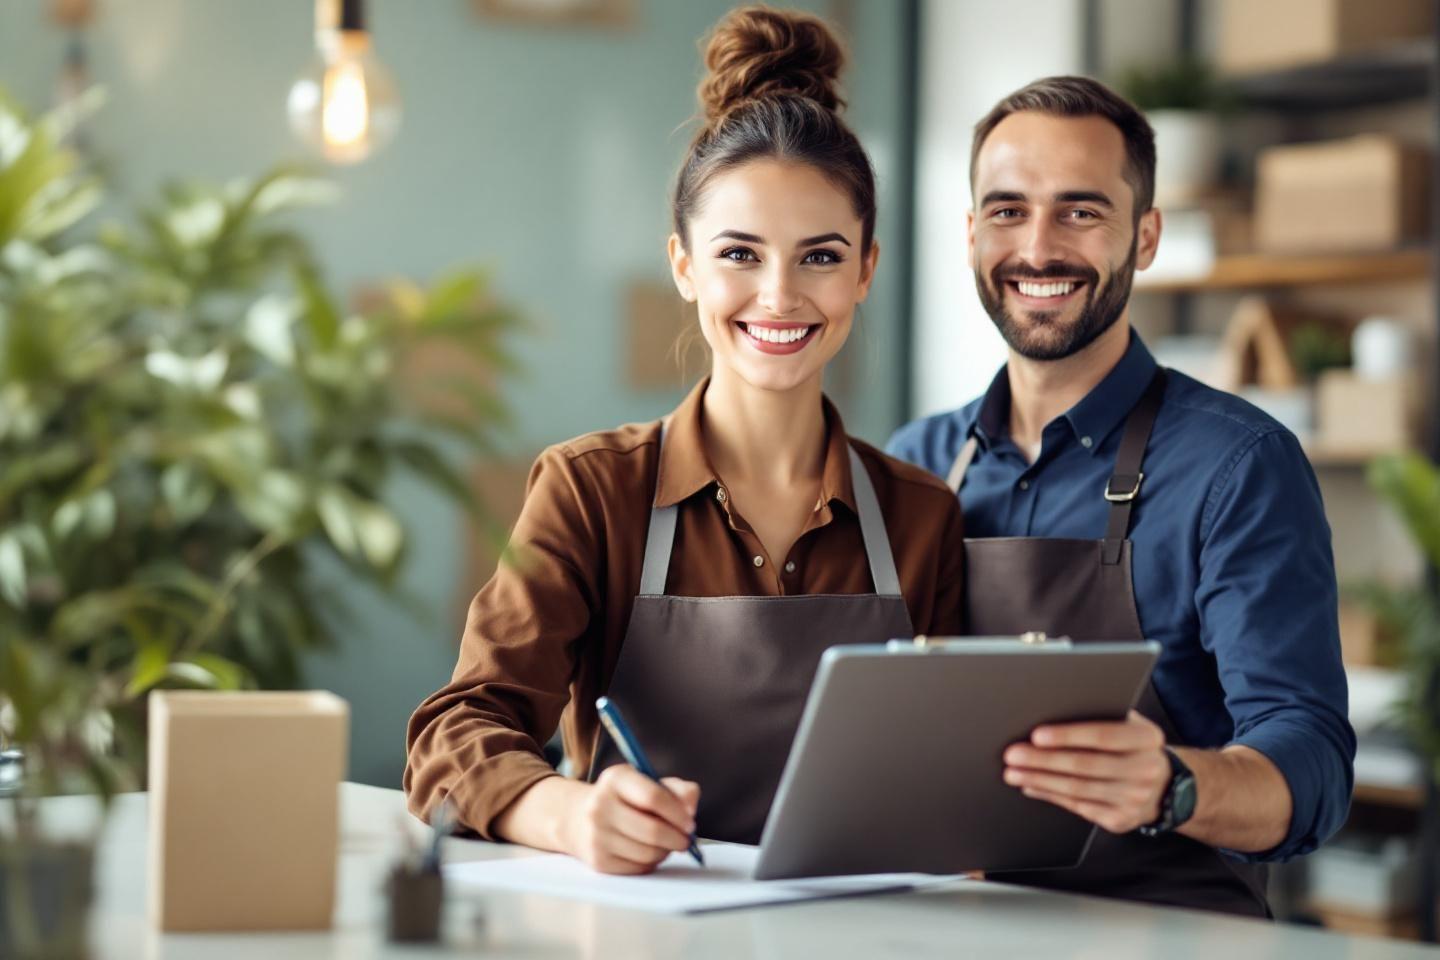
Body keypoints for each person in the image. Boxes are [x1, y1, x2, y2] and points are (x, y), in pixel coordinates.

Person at [406, 5, 963, 876]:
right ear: (684, 265)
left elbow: (954, 774)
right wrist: (571, 815)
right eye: (740, 254)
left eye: (819, 257)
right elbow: (455, 733)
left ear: (866, 270)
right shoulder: (591, 492)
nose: (778, 296)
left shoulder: (923, 516)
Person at [888, 75, 1355, 916]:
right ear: (968, 234)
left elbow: (1312, 764)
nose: (1038, 248)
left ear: (1144, 238)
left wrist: (1173, 784)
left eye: (1080, 211)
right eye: (1006, 211)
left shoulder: (1239, 467)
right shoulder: (915, 467)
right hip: (947, 929)